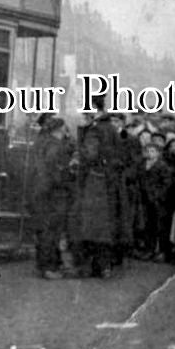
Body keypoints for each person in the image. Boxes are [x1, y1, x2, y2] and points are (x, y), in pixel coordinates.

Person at [69, 102, 122, 278]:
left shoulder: (94, 130)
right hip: (109, 181)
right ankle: (105, 266)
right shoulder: (112, 128)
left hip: (94, 181)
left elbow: (90, 154)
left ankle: (87, 267)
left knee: (89, 224)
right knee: (105, 225)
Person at [31, 117, 74, 279]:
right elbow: (54, 169)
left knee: (44, 229)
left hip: (39, 190)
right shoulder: (56, 146)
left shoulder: (41, 141)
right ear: (61, 129)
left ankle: (45, 265)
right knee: (52, 230)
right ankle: (49, 268)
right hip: (54, 193)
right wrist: (66, 177)